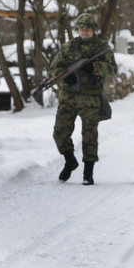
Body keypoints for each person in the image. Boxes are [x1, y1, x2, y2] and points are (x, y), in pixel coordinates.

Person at [51, 13, 117, 185]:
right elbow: (55, 67)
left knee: (89, 136)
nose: (85, 31)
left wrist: (94, 67)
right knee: (60, 132)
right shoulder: (69, 47)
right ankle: (70, 160)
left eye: (88, 29)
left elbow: (112, 69)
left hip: (91, 97)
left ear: (93, 30)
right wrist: (65, 76)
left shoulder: (102, 47)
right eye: (82, 28)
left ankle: (88, 172)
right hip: (69, 96)